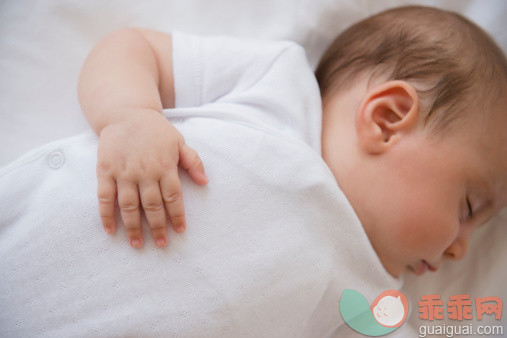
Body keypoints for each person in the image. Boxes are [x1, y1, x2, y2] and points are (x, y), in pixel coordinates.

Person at [0, 5, 505, 336]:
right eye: (466, 208)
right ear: (388, 120)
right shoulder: (278, 87)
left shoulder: (373, 305)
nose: (461, 248)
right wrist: (131, 116)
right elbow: (134, 48)